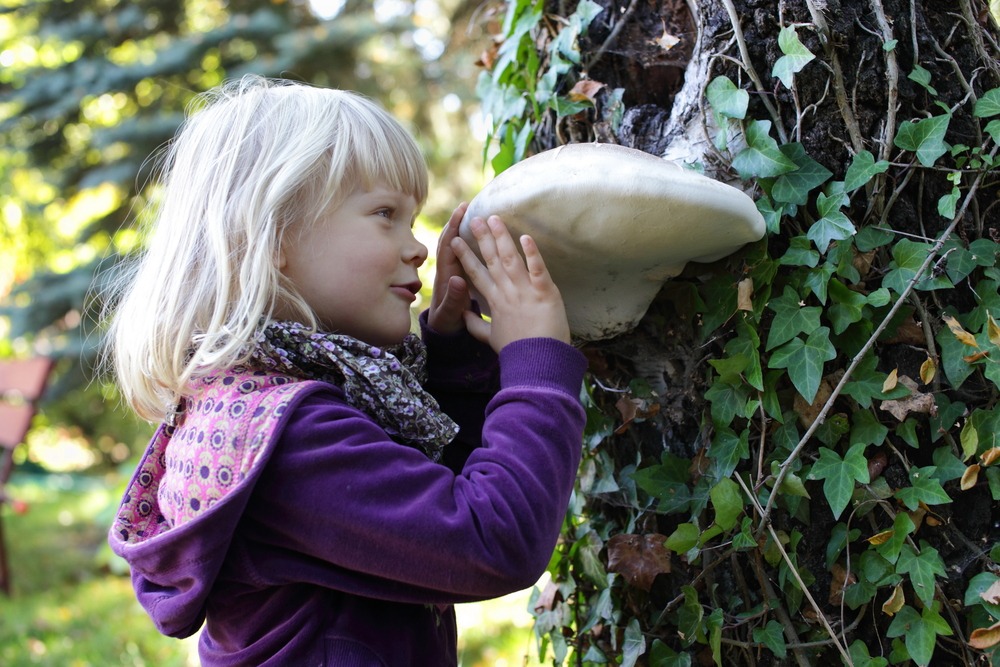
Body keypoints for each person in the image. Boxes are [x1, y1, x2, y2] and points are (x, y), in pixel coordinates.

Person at [104, 75, 587, 666]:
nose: (417, 248)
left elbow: (428, 499)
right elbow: (492, 540)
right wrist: (537, 364)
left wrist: (454, 357)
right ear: (273, 234)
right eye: (385, 214)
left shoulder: (263, 399)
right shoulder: (289, 440)